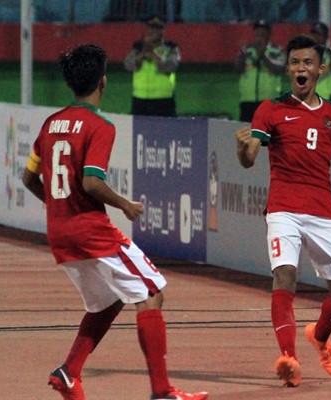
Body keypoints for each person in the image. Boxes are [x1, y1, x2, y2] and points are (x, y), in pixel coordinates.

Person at [22, 44, 208, 400]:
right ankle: (162, 392)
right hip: (91, 231)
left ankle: (69, 372)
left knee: (108, 301)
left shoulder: (49, 124)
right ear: (103, 82)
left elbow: (29, 179)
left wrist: (59, 207)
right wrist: (125, 204)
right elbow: (92, 181)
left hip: (59, 234)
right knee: (152, 293)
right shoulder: (100, 126)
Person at [235, 34, 331, 387]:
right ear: (287, 69)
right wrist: (242, 148)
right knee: (284, 277)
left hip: (323, 212)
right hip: (283, 210)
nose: (300, 68)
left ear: (320, 69)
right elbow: (249, 160)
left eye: (307, 63)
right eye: (294, 62)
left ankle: (321, 337)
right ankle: (289, 359)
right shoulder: (270, 110)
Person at [124, 15, 180, 117]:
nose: (153, 31)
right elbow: (128, 65)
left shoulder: (170, 47)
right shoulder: (138, 47)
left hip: (163, 99)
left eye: (157, 28)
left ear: (163, 31)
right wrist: (143, 52)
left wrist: (154, 55)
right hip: (140, 98)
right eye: (151, 28)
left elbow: (171, 66)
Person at [235, 19, 285, 122]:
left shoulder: (277, 50)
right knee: (246, 135)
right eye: (257, 31)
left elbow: (278, 70)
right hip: (248, 101)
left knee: (268, 134)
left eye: (263, 31)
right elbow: (238, 70)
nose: (260, 33)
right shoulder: (247, 51)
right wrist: (242, 57)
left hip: (269, 101)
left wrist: (262, 55)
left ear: (269, 33)